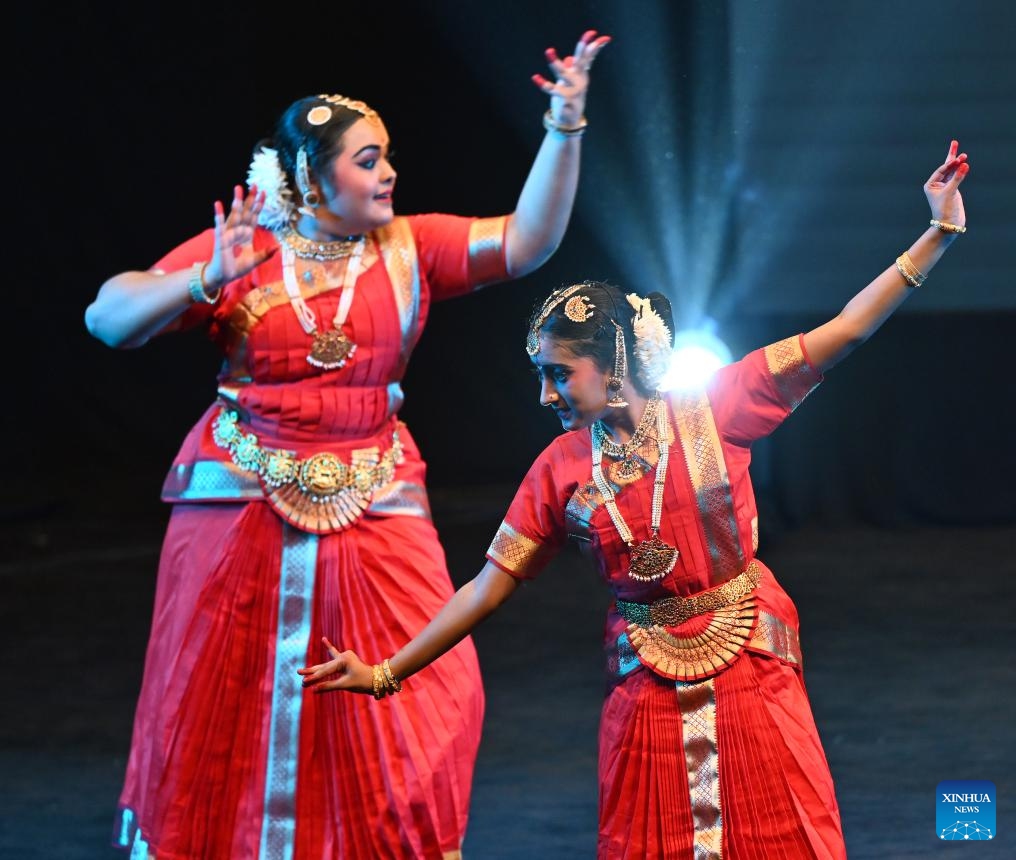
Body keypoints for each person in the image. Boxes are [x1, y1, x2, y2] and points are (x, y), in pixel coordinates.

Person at [298, 141, 971, 858]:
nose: (545, 395)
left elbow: (846, 330)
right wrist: (384, 673)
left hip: (749, 660)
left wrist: (938, 234)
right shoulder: (559, 469)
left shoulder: (716, 407)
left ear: (614, 363)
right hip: (643, 684)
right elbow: (488, 587)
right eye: (539, 377)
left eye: (559, 375)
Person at [85, 29, 610, 860]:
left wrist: (565, 127)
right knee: (219, 694)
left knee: (435, 682)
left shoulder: (407, 248)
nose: (389, 173)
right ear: (309, 175)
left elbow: (528, 242)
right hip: (238, 498)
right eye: (368, 160)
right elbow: (107, 320)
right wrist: (200, 280)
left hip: (375, 493)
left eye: (387, 156)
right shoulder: (247, 248)